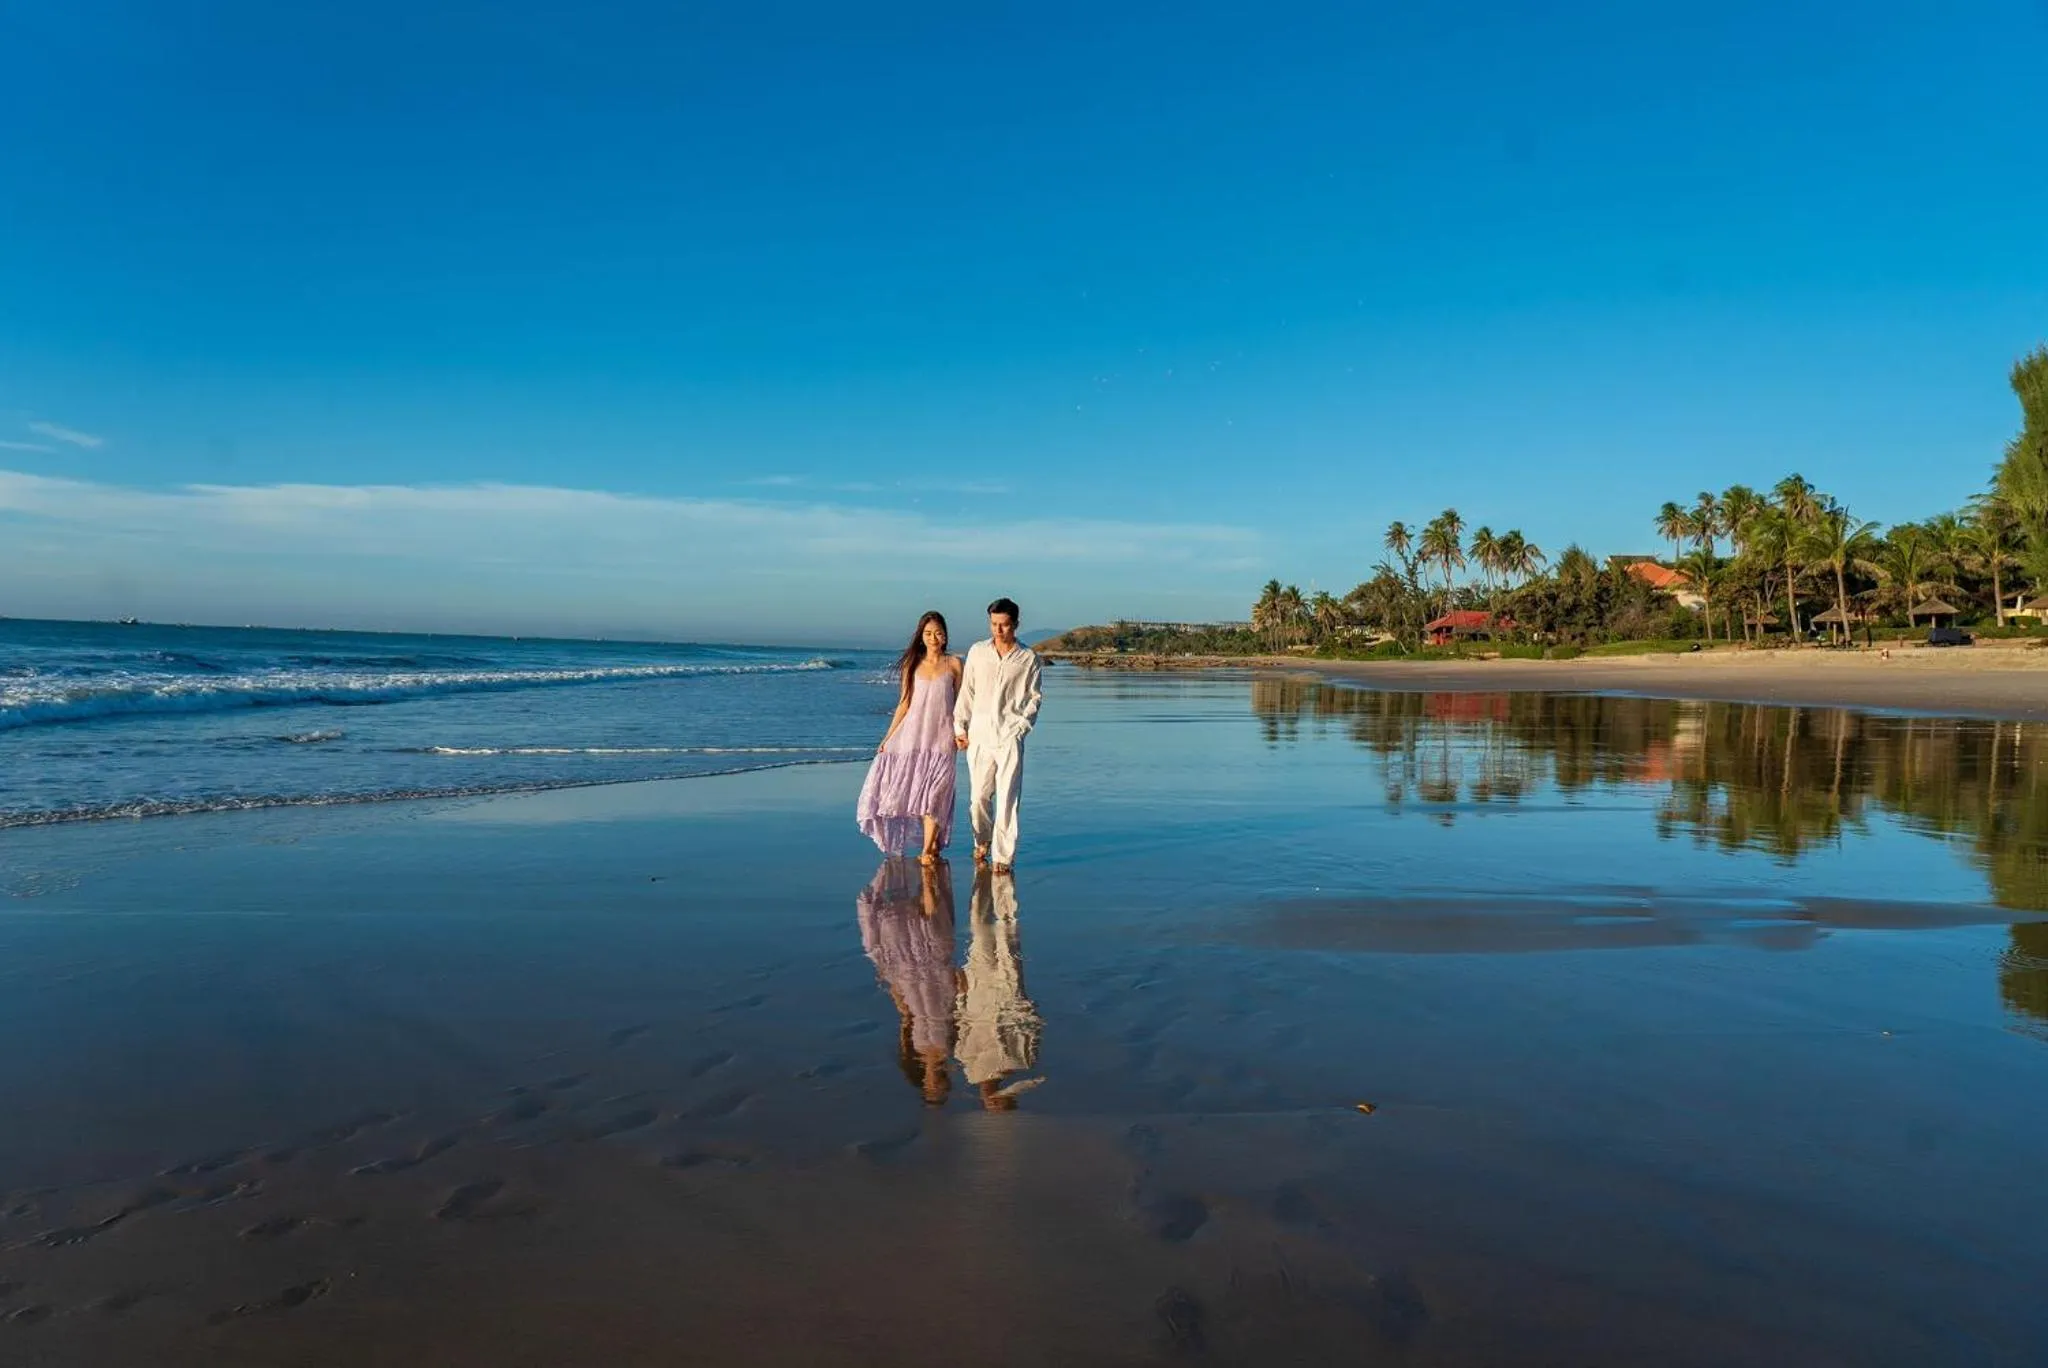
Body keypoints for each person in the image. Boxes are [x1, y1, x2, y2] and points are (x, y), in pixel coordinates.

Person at [857, 611, 962, 864]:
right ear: (921, 636)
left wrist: (962, 732)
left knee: (935, 793)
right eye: (928, 633)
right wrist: (888, 737)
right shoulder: (912, 665)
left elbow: (962, 704)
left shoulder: (955, 664)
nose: (933, 638)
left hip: (942, 738)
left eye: (938, 633)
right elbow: (904, 704)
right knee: (918, 791)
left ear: (945, 635)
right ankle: (930, 846)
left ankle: (927, 850)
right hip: (913, 736)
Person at [855, 857, 957, 1107]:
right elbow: (957, 1020)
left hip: (915, 996)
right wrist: (960, 990)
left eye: (933, 1088)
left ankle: (920, 875)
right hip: (941, 992)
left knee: (912, 936)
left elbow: (906, 1025)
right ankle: (929, 876)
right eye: (940, 1088)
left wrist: (898, 998)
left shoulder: (914, 1055)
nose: (937, 1084)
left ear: (925, 1083)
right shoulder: (952, 1052)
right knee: (933, 929)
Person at [952, 597, 1043, 873]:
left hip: (1009, 736)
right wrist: (960, 727)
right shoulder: (978, 652)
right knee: (978, 797)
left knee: (1007, 798)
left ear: (1016, 624)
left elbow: (1034, 698)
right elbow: (967, 691)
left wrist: (1020, 729)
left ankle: (1003, 856)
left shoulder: (1028, 658)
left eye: (1004, 625)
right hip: (979, 735)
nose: (998, 630)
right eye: (993, 624)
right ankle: (982, 839)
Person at [955, 866, 1042, 1110]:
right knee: (1006, 934)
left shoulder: (967, 1064)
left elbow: (962, 1026)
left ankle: (983, 875)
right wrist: (1022, 1001)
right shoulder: (1021, 1061)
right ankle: (998, 878)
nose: (991, 1099)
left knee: (978, 925)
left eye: (992, 1105)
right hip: (1007, 994)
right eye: (999, 1103)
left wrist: (960, 994)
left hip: (977, 995)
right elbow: (1033, 1026)